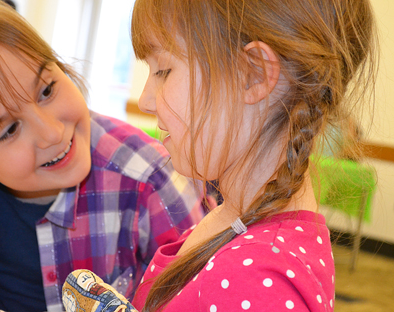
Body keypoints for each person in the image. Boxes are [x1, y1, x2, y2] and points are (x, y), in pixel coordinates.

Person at [58, 0, 378, 311]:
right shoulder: (233, 220)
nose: (145, 100)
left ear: (253, 73)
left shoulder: (258, 282)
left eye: (164, 70)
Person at [0, 1, 206, 311]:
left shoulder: (150, 177)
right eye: (9, 130)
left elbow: (205, 295)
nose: (53, 133)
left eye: (46, 91)